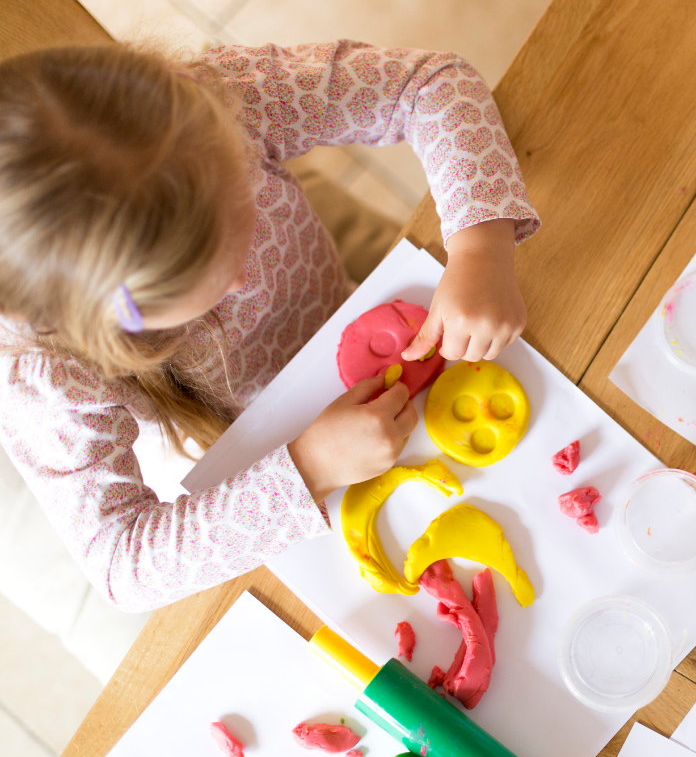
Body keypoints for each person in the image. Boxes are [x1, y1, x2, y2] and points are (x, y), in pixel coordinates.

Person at [0, 40, 539, 611]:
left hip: (341, 305)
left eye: (243, 221)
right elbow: (121, 565)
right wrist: (310, 467)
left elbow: (429, 79)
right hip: (239, 440)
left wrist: (481, 247)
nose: (242, 281)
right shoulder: (45, 377)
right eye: (209, 283)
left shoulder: (225, 99)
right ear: (115, 320)